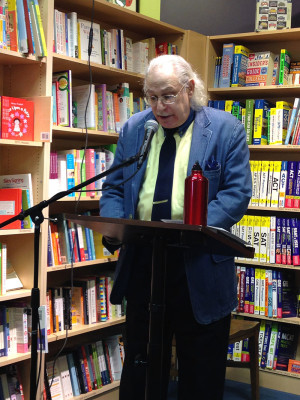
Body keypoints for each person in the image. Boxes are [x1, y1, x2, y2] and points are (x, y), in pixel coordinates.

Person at [99, 54, 252, 400]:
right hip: (144, 264)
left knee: (200, 374)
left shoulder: (226, 129)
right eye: (151, 97)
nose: (159, 107)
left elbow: (236, 193)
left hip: (197, 267)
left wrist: (194, 230)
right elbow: (113, 188)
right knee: (140, 367)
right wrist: (115, 227)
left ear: (190, 88)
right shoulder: (134, 128)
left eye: (167, 95)